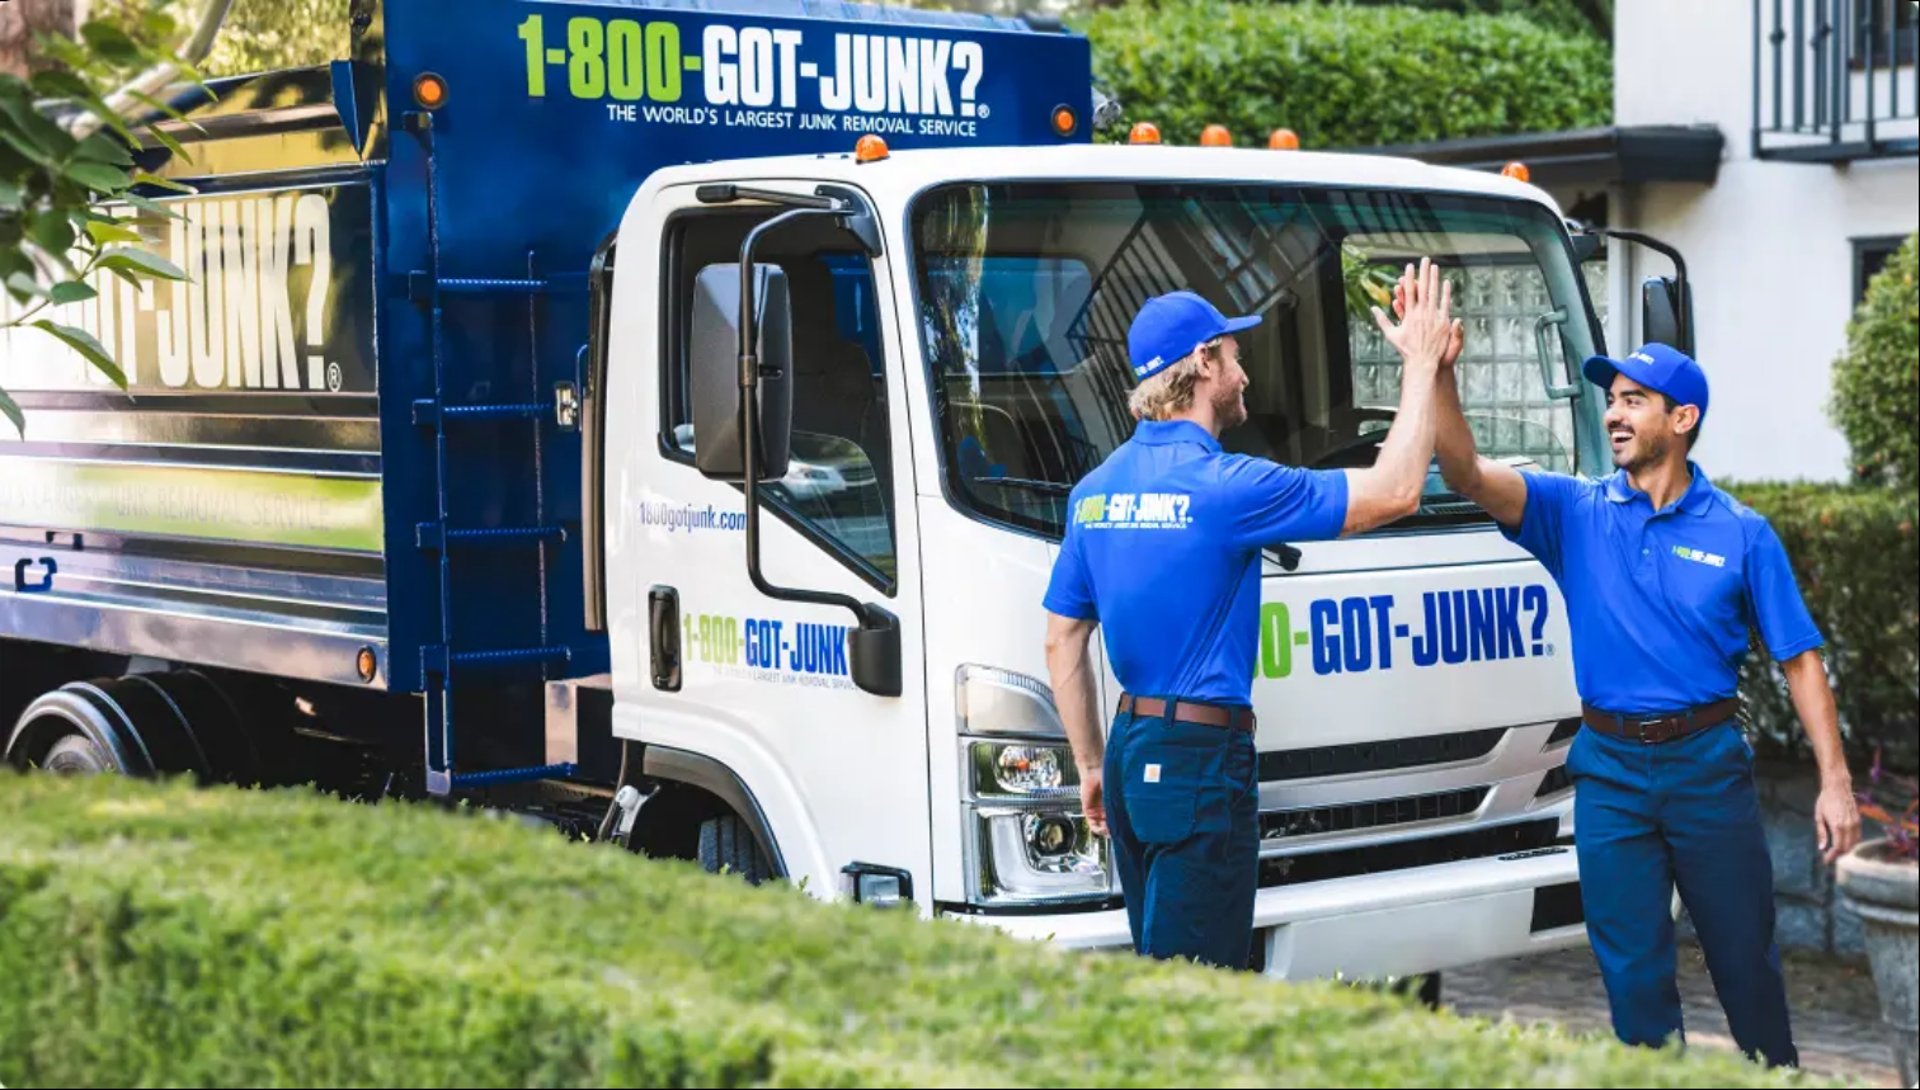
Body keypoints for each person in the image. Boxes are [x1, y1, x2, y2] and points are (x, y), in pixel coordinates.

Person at [1424, 302, 1861, 1066]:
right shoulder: (1573, 510)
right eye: (1612, 399)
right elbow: (1465, 471)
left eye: (1634, 400)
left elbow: (1800, 659)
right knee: (1632, 979)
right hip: (1610, 773)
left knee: (1744, 966)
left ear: (1682, 418)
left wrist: (1835, 782)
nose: (1615, 414)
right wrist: (1440, 374)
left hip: (1706, 769)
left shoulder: (1741, 532)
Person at [1040, 260, 1458, 969]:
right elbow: (1397, 491)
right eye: (1233, 358)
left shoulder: (1094, 492)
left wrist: (1088, 764)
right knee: (1196, 999)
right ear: (1202, 364)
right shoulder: (1226, 486)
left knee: (1157, 976)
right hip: (1199, 764)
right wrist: (1420, 364)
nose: (1244, 376)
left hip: (1129, 753)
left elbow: (1061, 640)